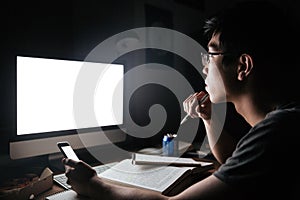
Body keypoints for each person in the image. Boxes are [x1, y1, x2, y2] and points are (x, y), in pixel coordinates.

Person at [62, 1, 300, 199]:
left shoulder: (279, 130)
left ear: (242, 66)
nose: (204, 68)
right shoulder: (281, 123)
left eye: (211, 55)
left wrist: (95, 185)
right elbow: (234, 162)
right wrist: (208, 118)